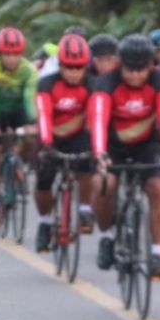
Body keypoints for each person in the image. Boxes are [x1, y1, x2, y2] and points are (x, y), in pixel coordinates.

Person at [90, 34, 160, 280]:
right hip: (112, 144)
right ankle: (106, 238)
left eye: (141, 70)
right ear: (121, 63)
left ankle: (158, 253)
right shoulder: (107, 81)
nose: (136, 76)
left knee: (158, 186)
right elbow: (98, 120)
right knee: (103, 183)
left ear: (150, 65)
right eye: (130, 69)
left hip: (147, 144)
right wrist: (100, 154)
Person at [33, 33, 97, 252]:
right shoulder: (46, 84)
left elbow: (94, 117)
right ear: (60, 65)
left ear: (86, 67)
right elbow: (43, 116)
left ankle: (85, 208)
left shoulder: (93, 85)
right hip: (51, 135)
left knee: (87, 164)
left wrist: (95, 147)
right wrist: (47, 144)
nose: (73, 73)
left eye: (79, 68)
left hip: (78, 135)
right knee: (44, 180)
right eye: (68, 67)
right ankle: (44, 222)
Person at [0, 27, 39, 223]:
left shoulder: (29, 70)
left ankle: (18, 167)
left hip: (19, 110)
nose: (11, 59)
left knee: (31, 139)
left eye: (16, 54)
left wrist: (32, 122)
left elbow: (30, 98)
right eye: (7, 54)